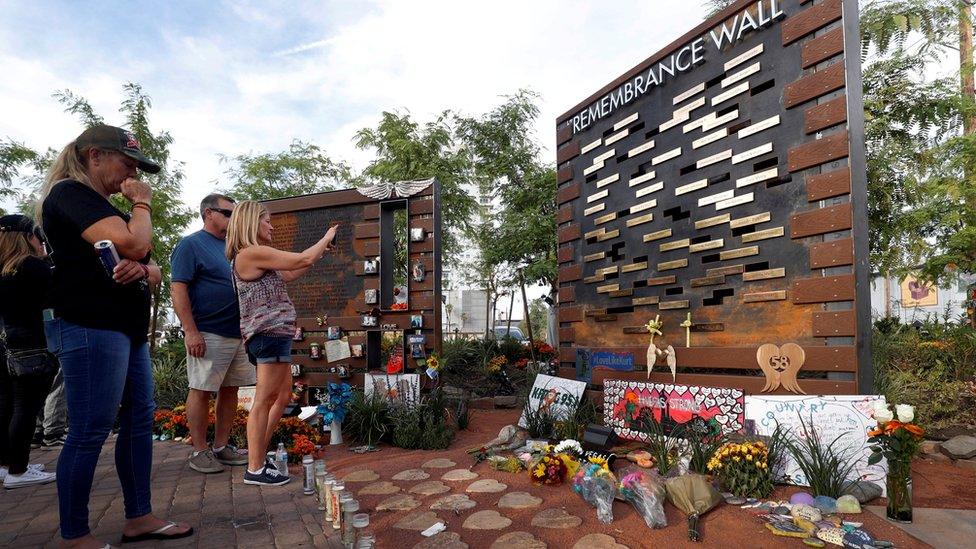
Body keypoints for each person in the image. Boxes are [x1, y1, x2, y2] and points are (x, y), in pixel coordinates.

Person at [38, 124, 192, 547]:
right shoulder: (70, 194)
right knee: (89, 429)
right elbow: (135, 244)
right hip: (91, 325)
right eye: (128, 162)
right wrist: (142, 205)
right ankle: (75, 535)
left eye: (138, 168)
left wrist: (142, 269)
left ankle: (138, 516)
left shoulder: (104, 206)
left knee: (140, 420)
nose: (133, 174)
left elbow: (153, 266)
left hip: (127, 329)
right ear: (94, 156)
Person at [225, 201, 337, 486]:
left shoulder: (259, 258)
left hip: (277, 335)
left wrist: (320, 252)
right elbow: (301, 260)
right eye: (266, 221)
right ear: (251, 223)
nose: (271, 226)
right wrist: (326, 237)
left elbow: (291, 271)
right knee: (264, 399)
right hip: (269, 334)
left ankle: (259, 455)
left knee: (283, 396)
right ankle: (255, 467)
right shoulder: (251, 253)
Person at [171, 193, 251, 473]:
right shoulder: (190, 245)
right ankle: (199, 450)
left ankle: (221, 447)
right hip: (208, 331)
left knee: (231, 390)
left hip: (239, 333)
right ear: (208, 214)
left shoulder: (235, 247)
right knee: (202, 390)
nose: (232, 218)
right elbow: (178, 288)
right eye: (228, 213)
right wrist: (190, 331)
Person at [0, 214, 57, 488]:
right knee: (26, 408)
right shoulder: (32, 267)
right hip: (31, 345)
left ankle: (7, 464)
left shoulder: (4, 269)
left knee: (8, 406)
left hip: (6, 345)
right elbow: (55, 297)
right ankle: (18, 471)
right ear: (28, 237)